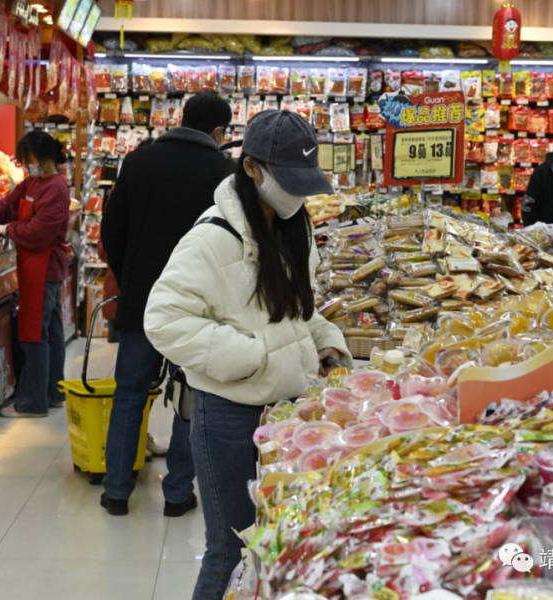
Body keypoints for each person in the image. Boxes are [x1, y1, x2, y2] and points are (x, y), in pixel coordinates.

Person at [144, 110, 353, 600]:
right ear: (252, 168)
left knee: (266, 548)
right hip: (228, 417)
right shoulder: (213, 237)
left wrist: (327, 343)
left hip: (282, 410)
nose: (298, 195)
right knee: (231, 551)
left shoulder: (287, 226)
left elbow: (298, 312)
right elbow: (163, 319)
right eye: (290, 181)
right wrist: (254, 356)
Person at [100, 92, 235, 517]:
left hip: (142, 300)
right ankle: (177, 494)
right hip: (196, 309)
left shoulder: (138, 161)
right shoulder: (223, 173)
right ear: (218, 132)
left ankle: (117, 491)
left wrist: (131, 277)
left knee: (129, 395)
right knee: (191, 398)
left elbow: (111, 229)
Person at [0, 131, 72, 418]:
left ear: (45, 158)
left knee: (34, 333)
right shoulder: (33, 182)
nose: (27, 166)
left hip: (43, 267)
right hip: (34, 265)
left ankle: (31, 402)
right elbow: (9, 203)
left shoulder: (56, 188)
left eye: (29, 161)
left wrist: (7, 229)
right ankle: (52, 392)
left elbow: (40, 233)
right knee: (51, 331)